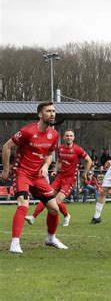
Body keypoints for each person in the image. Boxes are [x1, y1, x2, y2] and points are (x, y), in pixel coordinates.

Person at [2, 102, 67, 253]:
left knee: (54, 209)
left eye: (53, 111)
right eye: (48, 111)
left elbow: (49, 155)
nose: (52, 114)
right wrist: (6, 169)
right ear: (40, 114)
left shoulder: (54, 135)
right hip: (22, 173)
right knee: (23, 204)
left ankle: (50, 238)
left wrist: (45, 166)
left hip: (38, 176)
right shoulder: (27, 131)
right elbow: (7, 146)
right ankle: (15, 243)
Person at [25, 129, 93, 226]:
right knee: (46, 197)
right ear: (64, 137)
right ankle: (33, 217)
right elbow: (59, 161)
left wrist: (84, 174)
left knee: (57, 200)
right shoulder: (60, 148)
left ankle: (66, 216)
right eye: (67, 135)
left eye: (71, 136)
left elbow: (89, 161)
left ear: (73, 138)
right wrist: (55, 171)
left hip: (69, 180)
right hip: (60, 177)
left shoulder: (78, 149)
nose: (69, 137)